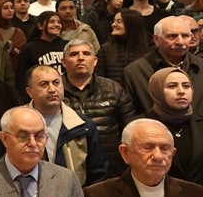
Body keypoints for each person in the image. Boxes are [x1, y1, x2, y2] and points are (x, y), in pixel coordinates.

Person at [60, 38, 137, 179]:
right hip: (67, 167)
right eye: (74, 54)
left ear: (95, 61)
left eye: (86, 53)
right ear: (64, 62)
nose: (81, 58)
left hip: (112, 168)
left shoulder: (114, 89)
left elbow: (130, 129)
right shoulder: (54, 92)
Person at [24, 65, 107, 185]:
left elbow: (98, 173)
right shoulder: (15, 124)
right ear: (29, 92)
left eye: (56, 82)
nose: (52, 89)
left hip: (75, 194)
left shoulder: (83, 125)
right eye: (44, 84)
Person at [123, 15, 203, 115]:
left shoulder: (201, 66)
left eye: (185, 36)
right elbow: (128, 114)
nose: (180, 42)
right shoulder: (135, 72)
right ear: (156, 40)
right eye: (172, 36)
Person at [141, 67, 203, 185]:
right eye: (172, 86)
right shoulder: (141, 126)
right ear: (157, 90)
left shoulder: (200, 122)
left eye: (186, 86)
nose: (181, 91)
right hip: (158, 193)